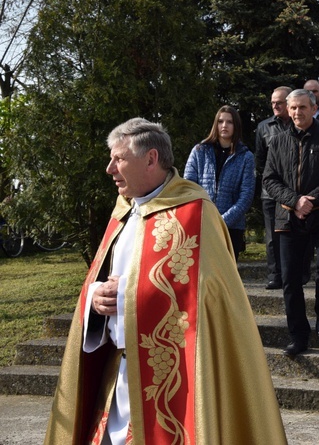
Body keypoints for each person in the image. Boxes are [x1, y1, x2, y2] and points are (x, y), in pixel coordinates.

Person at [45, 118, 286, 444]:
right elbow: (101, 281)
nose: (109, 169)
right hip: (117, 379)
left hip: (176, 383)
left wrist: (125, 298)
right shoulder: (123, 212)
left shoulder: (195, 213)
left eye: (118, 159)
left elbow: (207, 297)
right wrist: (95, 298)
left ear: (151, 159)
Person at [263, 89, 319, 356]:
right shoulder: (276, 141)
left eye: (302, 107)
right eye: (293, 108)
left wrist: (311, 201)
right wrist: (295, 201)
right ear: (288, 111)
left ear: (313, 109)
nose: (298, 112)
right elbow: (269, 179)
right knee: (290, 280)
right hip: (289, 217)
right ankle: (298, 335)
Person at [184, 105, 255, 261]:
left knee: (226, 279)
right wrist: (204, 217)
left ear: (236, 126)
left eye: (229, 122)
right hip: (202, 224)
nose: (224, 125)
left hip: (231, 227)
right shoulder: (199, 151)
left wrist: (222, 221)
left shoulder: (245, 156)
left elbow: (246, 195)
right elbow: (189, 187)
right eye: (220, 121)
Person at [256, 86, 293, 289]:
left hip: (295, 191)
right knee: (272, 237)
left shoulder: (297, 124)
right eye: (272, 103)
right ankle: (274, 275)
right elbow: (260, 159)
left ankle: (297, 273)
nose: (275, 106)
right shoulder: (264, 127)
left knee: (295, 234)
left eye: (279, 102)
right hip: (270, 192)